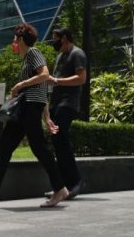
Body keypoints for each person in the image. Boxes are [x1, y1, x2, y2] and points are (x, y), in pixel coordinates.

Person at [0, 24, 68, 209]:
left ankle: (60, 189)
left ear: (20, 39)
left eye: (14, 39)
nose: (13, 42)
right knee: (4, 148)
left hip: (29, 107)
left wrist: (20, 85)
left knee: (39, 148)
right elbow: (42, 89)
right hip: (25, 108)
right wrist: (47, 117)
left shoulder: (33, 53)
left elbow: (44, 75)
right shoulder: (27, 59)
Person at [45, 27, 87, 199]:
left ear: (64, 38)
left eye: (56, 38)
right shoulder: (60, 56)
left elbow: (81, 78)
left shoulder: (77, 54)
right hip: (56, 103)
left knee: (61, 139)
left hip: (68, 103)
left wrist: (57, 80)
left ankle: (75, 182)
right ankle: (61, 187)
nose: (54, 41)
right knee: (57, 142)